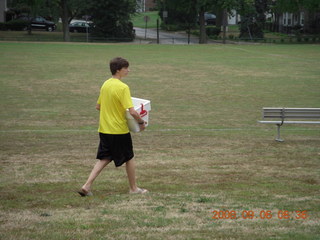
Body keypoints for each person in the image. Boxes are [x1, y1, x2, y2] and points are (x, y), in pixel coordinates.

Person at [78, 57, 148, 196]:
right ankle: (134, 189)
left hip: (104, 129)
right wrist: (141, 122)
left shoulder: (105, 84)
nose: (129, 70)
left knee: (105, 158)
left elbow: (98, 106)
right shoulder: (123, 87)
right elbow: (133, 111)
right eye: (126, 68)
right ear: (118, 70)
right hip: (118, 130)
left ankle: (87, 186)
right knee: (129, 157)